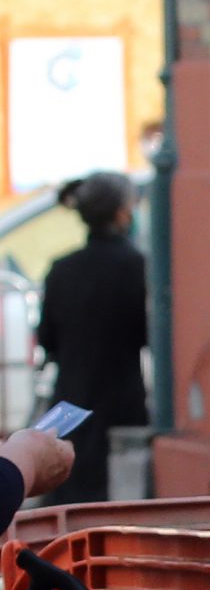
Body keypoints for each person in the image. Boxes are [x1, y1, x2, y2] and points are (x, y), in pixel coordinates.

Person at [35, 171, 148, 503]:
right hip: (122, 410)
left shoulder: (61, 269)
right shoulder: (137, 266)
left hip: (70, 410)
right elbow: (147, 334)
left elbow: (47, 339)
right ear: (122, 214)